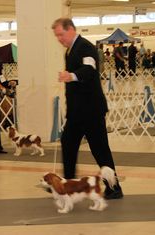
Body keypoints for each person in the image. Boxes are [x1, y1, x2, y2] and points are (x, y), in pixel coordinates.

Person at [52, 18, 123, 199]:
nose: (59, 39)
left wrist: (72, 75)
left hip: (91, 110)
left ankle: (114, 188)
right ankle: (68, 185)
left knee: (100, 149)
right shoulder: (69, 51)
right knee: (68, 143)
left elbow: (89, 70)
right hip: (77, 112)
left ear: (71, 30)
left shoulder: (85, 46)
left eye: (60, 34)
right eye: (57, 36)